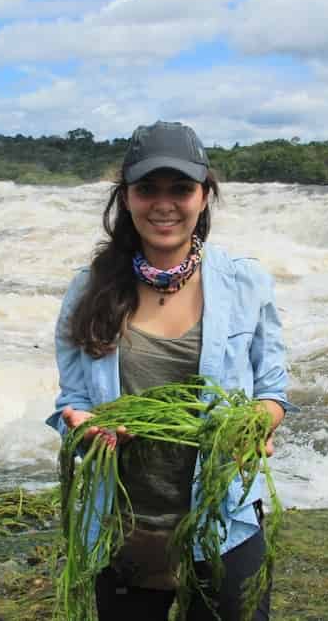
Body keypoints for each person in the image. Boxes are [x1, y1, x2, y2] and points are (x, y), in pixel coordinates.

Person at [46, 121, 293, 621]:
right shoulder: (89, 289)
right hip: (123, 527)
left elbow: (272, 391)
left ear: (204, 196)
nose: (164, 204)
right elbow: (72, 402)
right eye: (147, 190)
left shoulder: (246, 283)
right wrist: (84, 426)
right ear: (126, 198)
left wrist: (253, 426)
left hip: (225, 521)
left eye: (180, 189)